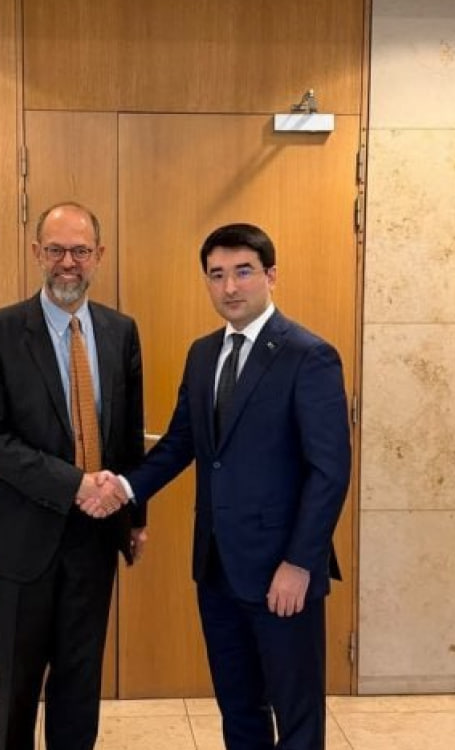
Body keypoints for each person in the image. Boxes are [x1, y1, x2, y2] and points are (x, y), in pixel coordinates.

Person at [84, 223, 350, 750]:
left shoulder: (308, 355)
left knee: (296, 714)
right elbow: (182, 443)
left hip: (283, 571)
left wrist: (300, 563)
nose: (230, 287)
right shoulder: (203, 354)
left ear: (271, 275)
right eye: (217, 275)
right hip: (217, 568)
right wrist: (125, 488)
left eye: (243, 272)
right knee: (239, 707)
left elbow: (329, 472)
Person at [0, 202, 146, 750]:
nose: (68, 262)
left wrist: (135, 516)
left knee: (79, 685)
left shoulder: (120, 331)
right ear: (36, 252)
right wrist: (75, 485)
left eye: (80, 251)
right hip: (17, 545)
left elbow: (128, 433)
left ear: (100, 255)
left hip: (95, 539)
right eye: (56, 250)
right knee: (17, 689)